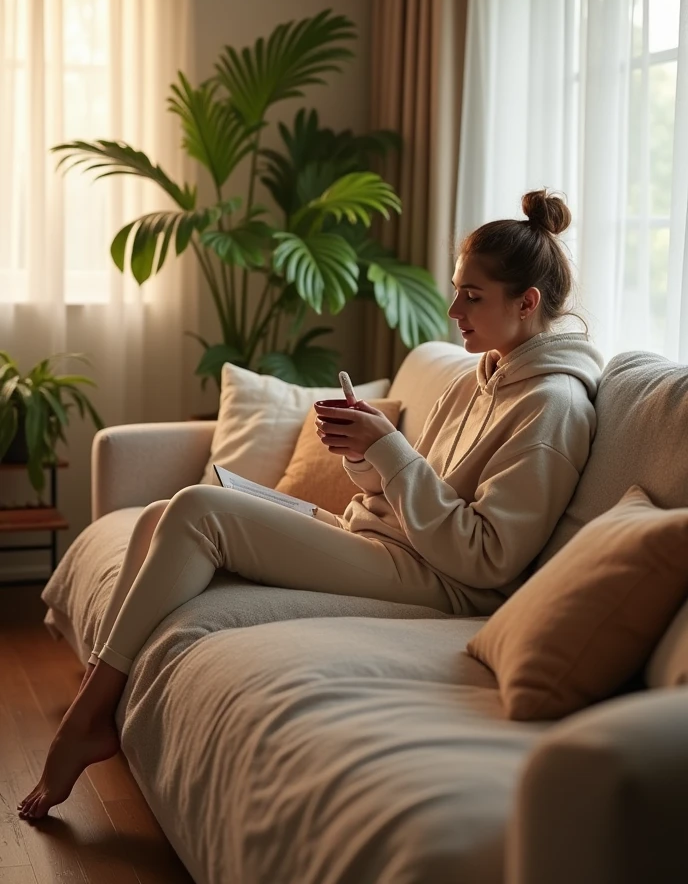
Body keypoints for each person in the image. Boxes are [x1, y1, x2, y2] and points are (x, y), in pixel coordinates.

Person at [18, 188, 604, 821]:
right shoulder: (477, 376)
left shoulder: (552, 408)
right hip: (387, 542)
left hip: (445, 581)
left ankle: (88, 717)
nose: (453, 307)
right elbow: (402, 489)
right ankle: (101, 692)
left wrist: (394, 454)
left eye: (472, 295)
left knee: (197, 509)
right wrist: (367, 450)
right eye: (457, 288)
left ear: (528, 302)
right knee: (164, 514)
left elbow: (488, 558)